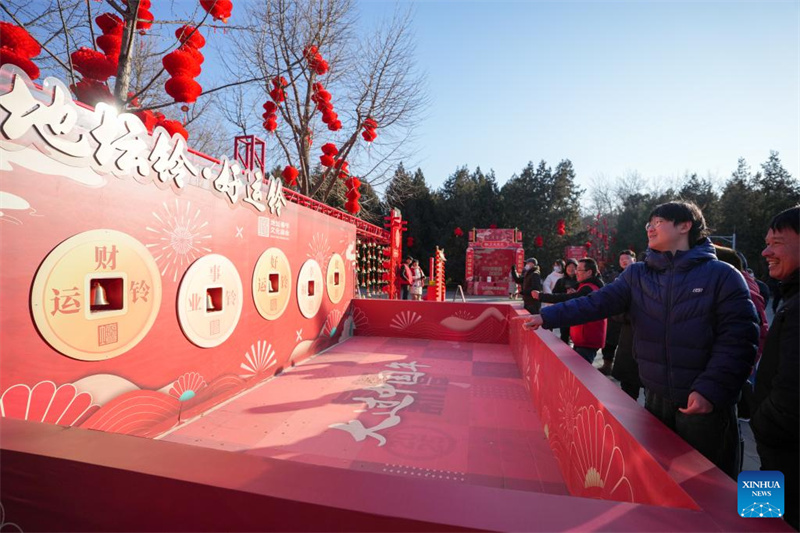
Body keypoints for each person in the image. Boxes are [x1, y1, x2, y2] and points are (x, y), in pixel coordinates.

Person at [524, 201, 758, 479]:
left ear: (685, 226)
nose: (650, 228)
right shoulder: (637, 275)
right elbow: (595, 303)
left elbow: (740, 340)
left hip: (704, 404)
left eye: (658, 222)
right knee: (662, 479)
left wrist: (711, 390)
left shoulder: (722, 276)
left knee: (712, 487)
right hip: (656, 397)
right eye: (649, 223)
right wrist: (548, 317)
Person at [751, 206, 798, 530]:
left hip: (784, 453)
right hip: (772, 447)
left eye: (777, 242)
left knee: (765, 521)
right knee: (756, 517)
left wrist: (763, 421)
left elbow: (792, 390)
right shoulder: (790, 297)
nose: (766, 251)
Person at [532, 258, 606, 364]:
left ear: (589, 272)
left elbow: (566, 300)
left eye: (579, 269)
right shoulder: (586, 286)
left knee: (581, 371)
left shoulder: (589, 289)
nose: (576, 272)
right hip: (582, 337)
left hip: (587, 338)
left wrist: (541, 297)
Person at [609, 250, 642, 399]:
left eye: (626, 259)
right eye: (621, 259)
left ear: (634, 260)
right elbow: (613, 308)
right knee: (629, 388)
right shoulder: (618, 280)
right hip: (628, 338)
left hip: (652, 343)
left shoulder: (645, 278)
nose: (623, 261)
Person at [552, 258, 579, 344]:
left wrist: (576, 293)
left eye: (573, 267)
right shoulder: (561, 281)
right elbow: (554, 294)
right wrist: (565, 294)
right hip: (564, 310)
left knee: (576, 335)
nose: (571, 269)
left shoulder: (580, 281)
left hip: (577, 311)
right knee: (564, 333)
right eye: (569, 267)